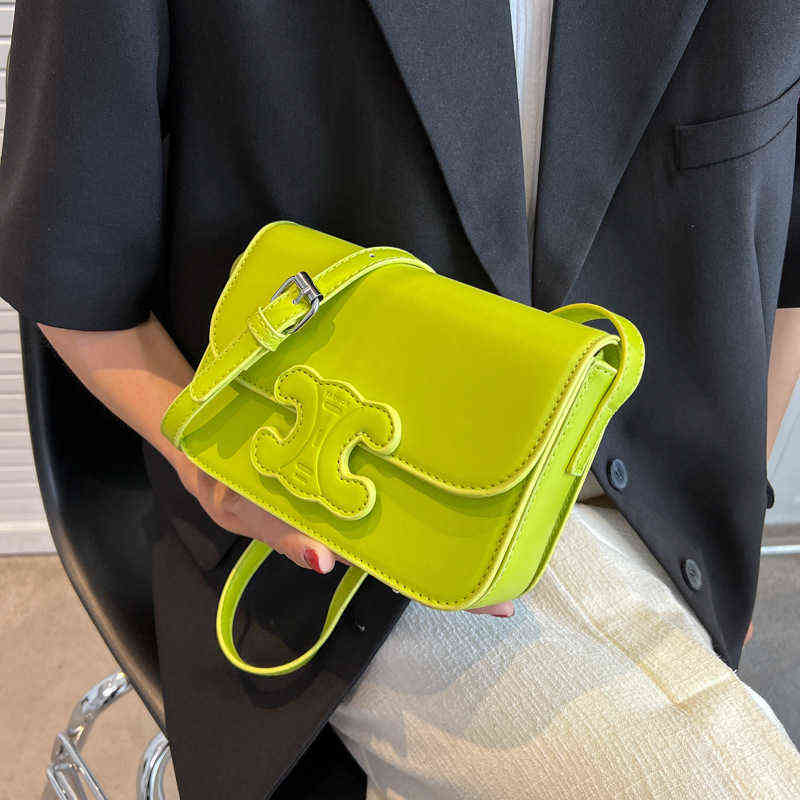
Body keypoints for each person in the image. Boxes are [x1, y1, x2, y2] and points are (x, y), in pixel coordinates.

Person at [1, 1, 799, 798]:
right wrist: (213, 463)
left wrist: (733, 503)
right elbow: (72, 268)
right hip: (345, 515)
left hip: (657, 500)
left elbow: (786, 255)